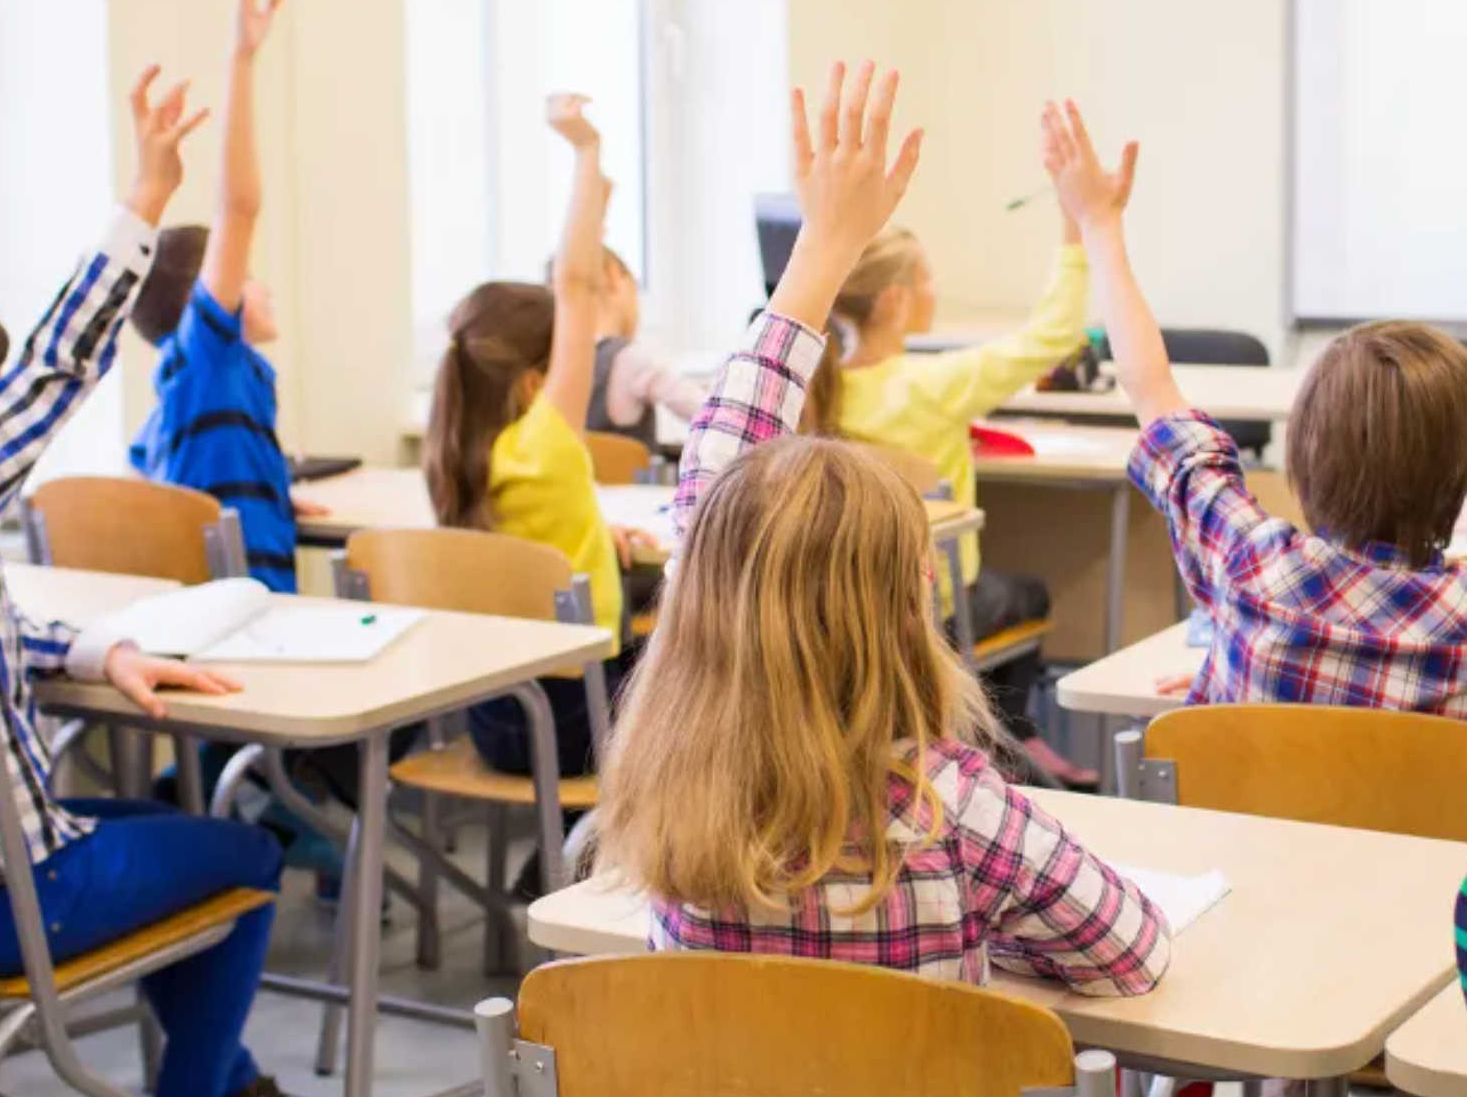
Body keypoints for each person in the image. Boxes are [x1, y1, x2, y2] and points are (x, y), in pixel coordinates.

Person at [597, 61, 1170, 996]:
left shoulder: (669, 799)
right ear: (909, 605)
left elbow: (717, 475)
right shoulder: (954, 815)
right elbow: (1132, 955)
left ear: (710, 588)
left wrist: (824, 242)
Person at [1039, 95, 1466, 1097]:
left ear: (1303, 458)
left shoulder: (1246, 559)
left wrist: (1098, 225)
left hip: (1243, 937)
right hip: (1422, 955)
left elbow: (1150, 386)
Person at [0, 67, 337, 1097]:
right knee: (244, 856)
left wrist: (99, 643)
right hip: (2, 895)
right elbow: (53, 368)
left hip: (17, 849)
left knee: (170, 839)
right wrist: (146, 188)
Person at [806, 200, 1097, 786]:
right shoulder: (932, 385)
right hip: (933, 608)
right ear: (895, 300)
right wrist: (1074, 223)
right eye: (928, 279)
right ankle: (1014, 729)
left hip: (841, 605)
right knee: (1029, 591)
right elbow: (1055, 336)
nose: (936, 290)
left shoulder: (816, 392)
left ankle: (1012, 733)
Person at [425, 95, 647, 779]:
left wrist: (598, 549)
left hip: (495, 720)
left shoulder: (455, 459)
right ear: (532, 383)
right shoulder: (546, 445)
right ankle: (589, 854)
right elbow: (575, 286)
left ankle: (561, 852)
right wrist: (586, 152)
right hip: (581, 723)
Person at [130, 0, 309, 593]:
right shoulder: (209, 363)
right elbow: (238, 206)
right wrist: (241, 57)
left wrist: (275, 492)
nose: (258, 286)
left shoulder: (184, 391)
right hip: (247, 616)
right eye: (247, 278)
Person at [586, 246, 704, 450]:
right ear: (614, 277)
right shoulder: (629, 359)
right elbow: (711, 414)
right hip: (629, 481)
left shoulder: (555, 364)